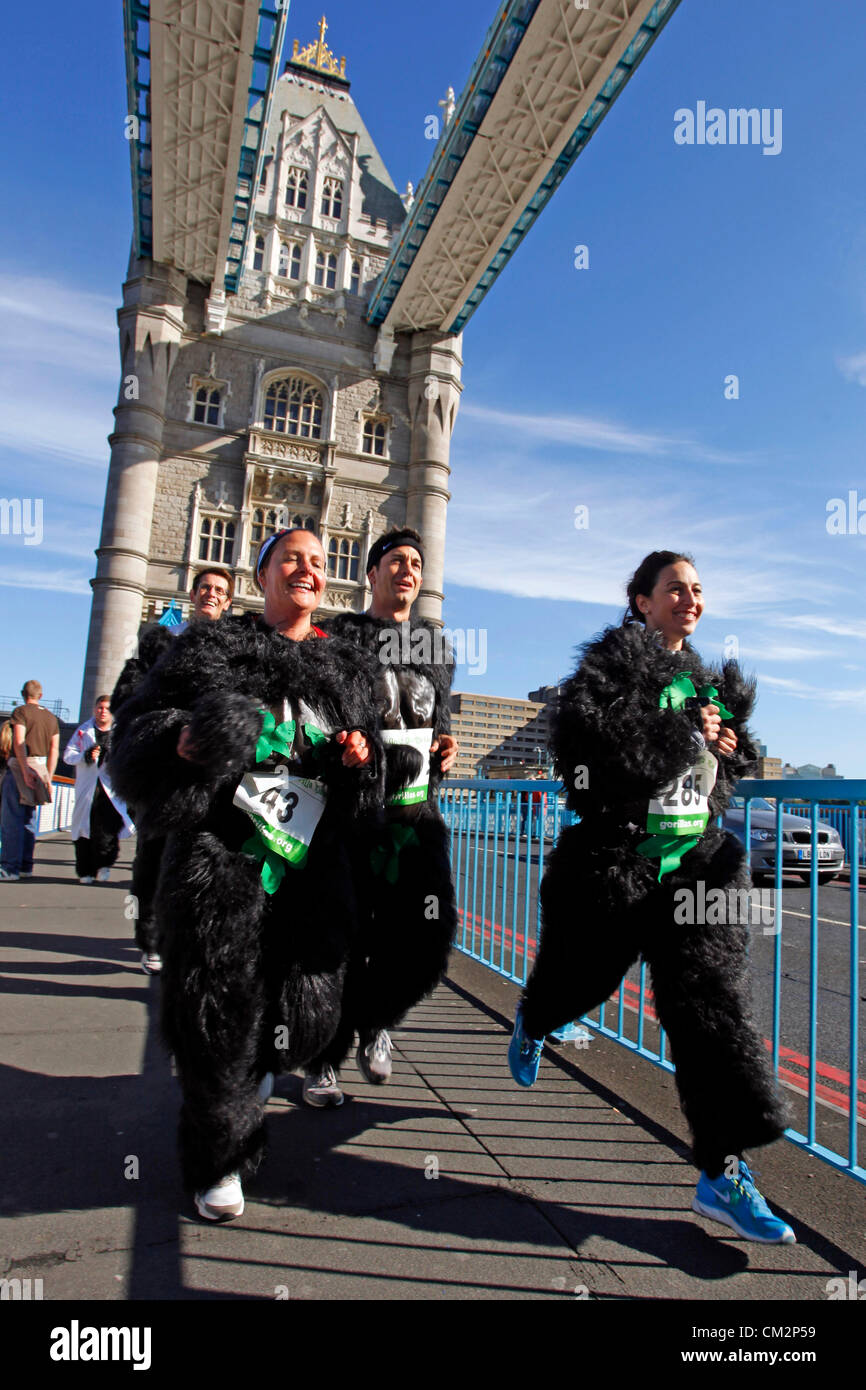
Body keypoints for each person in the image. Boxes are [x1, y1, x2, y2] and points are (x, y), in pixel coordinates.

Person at [508, 551, 795, 1244]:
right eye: (675, 589)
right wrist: (678, 734)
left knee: (711, 1008)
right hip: (618, 859)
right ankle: (535, 1017)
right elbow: (585, 754)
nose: (689, 599)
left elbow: (720, 772)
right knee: (583, 977)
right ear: (641, 600)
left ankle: (721, 1175)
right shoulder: (608, 669)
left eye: (698, 590)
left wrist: (728, 746)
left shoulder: (707, 682)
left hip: (695, 865)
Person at [109, 528, 383, 1221]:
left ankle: (259, 1071)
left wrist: (358, 756)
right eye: (292, 558)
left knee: (311, 1013)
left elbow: (375, 761)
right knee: (215, 1013)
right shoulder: (209, 648)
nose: (309, 570)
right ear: (261, 575)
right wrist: (182, 739)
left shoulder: (346, 667)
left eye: (320, 562)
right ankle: (218, 1160)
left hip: (312, 864)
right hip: (220, 858)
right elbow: (136, 735)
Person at [301, 526, 459, 1106]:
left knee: (423, 937)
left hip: (415, 817)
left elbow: (437, 722)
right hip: (351, 816)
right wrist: (341, 746)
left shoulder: (436, 648)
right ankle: (324, 1058)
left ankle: (375, 1020)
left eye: (416, 562)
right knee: (339, 936)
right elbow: (314, 718)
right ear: (372, 574)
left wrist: (447, 747)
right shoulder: (338, 636)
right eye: (395, 561)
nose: (408, 570)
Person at [111, 566, 234, 973]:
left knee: (210, 864)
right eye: (205, 588)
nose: (211, 595)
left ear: (228, 601)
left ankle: (197, 944)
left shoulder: (236, 648)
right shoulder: (161, 642)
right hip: (165, 771)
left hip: (215, 776)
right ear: (193, 593)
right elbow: (126, 700)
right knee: (154, 859)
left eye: (219, 590)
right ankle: (151, 939)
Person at [63, 696, 134, 884]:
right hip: (87, 788)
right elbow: (68, 755)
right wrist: (84, 755)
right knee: (82, 831)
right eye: (99, 708)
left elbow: (128, 758)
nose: (102, 711)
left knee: (106, 830)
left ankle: (104, 865)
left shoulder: (120, 732)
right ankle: (85, 870)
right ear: (94, 709)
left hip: (109, 789)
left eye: (106, 708)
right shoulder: (82, 731)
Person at [0, 681, 59, 882]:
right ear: (40, 695)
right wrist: (49, 777)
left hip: (20, 767)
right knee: (28, 820)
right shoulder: (51, 718)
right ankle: (26, 866)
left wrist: (24, 770)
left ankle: (9, 868)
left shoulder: (20, 712)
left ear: (23, 694)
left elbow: (18, 741)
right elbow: (54, 749)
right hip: (42, 767)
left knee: (11, 820)